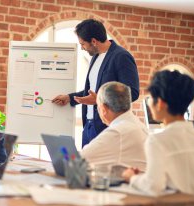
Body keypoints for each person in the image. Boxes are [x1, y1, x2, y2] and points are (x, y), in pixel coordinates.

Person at [47, 82, 147, 206]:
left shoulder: (118, 131)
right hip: (136, 205)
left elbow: (77, 161)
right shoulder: (136, 125)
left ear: (104, 108)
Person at [123, 70, 194, 197]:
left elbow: (153, 186)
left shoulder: (157, 141)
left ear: (159, 103)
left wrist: (131, 178)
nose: (149, 102)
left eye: (151, 97)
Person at [52, 19, 139, 147]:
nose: (82, 48)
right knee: (87, 166)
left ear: (94, 41)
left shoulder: (121, 56)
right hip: (88, 125)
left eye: (83, 44)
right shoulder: (95, 58)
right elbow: (92, 91)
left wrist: (99, 99)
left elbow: (132, 92)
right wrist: (69, 98)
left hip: (106, 128)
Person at [81, 81, 147, 169]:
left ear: (103, 109)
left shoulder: (117, 132)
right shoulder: (139, 125)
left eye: (98, 106)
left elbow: (80, 159)